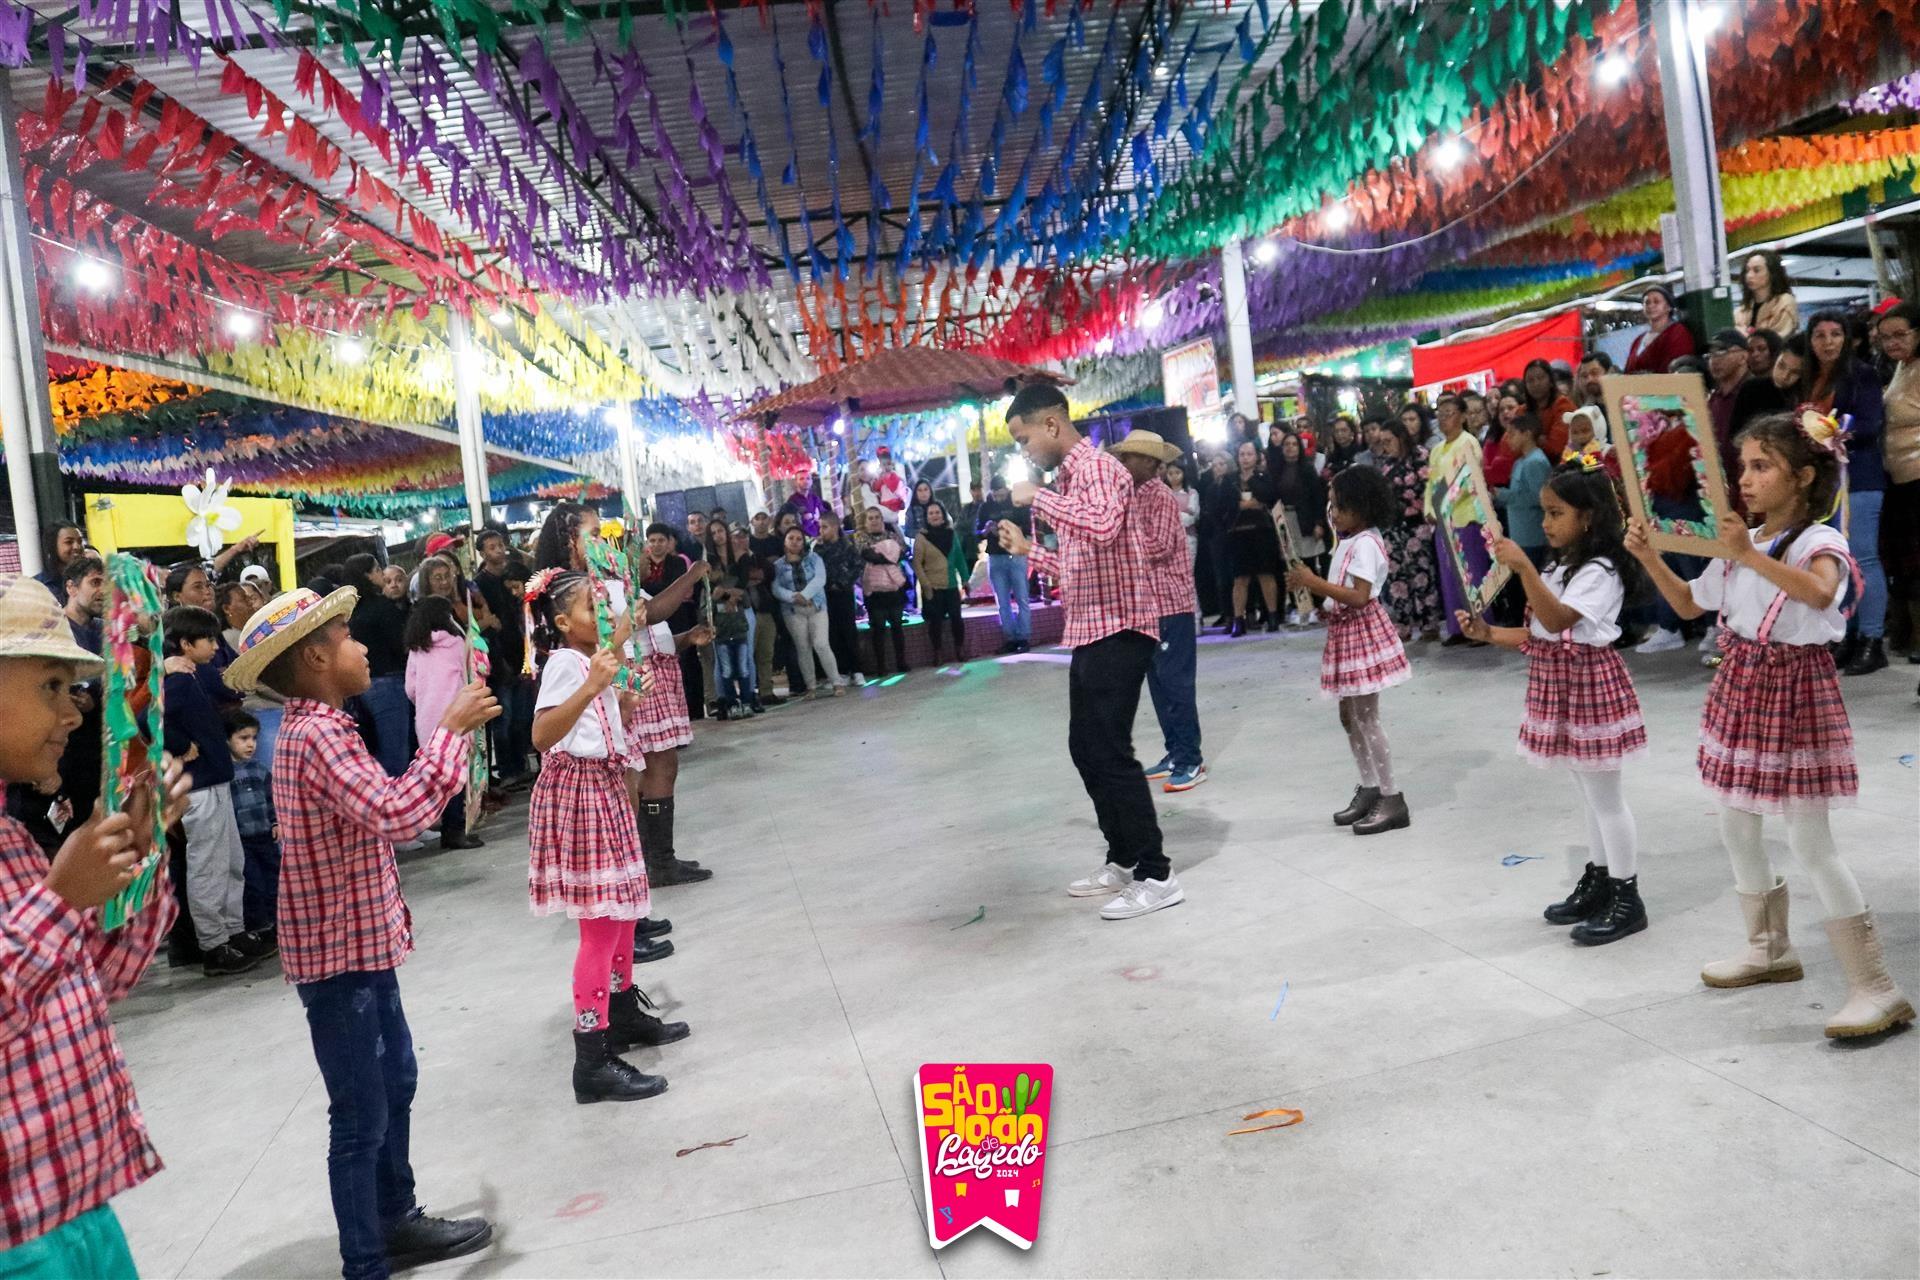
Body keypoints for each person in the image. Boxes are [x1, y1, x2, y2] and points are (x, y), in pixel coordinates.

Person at [224, 586, 500, 1275]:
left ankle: (394, 1220)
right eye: (348, 636)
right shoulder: (318, 736)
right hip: (338, 959)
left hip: (359, 946)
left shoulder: (324, 727)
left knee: (394, 1081)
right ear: (316, 658)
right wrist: (450, 732)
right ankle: (366, 1259)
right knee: (359, 1114)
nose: (365, 645)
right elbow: (399, 814)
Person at [1637, 413, 1911, 1038]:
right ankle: (1768, 949)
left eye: (1762, 466)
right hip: (1742, 689)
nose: (1746, 479)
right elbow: (1687, 602)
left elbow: (1821, 594)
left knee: (1811, 842)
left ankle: (1876, 987)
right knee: (1735, 824)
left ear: (1805, 476)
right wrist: (1650, 555)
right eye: (1744, 467)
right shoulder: (1745, 541)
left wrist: (1744, 555)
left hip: (1795, 695)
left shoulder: (1819, 540)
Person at [0, 573, 189, 1280]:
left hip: (72, 1200)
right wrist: (58, 901)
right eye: (50, 687)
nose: (73, 714)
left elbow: (97, 980)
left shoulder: (14, 841)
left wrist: (139, 858)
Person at [996, 384, 1181, 921]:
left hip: (1121, 628)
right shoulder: (1075, 479)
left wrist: (1038, 498)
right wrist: (1030, 551)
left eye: (1024, 438)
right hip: (1093, 628)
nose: (1026, 451)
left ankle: (1157, 874)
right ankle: (1123, 857)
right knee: (1086, 747)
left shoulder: (1099, 469)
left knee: (1110, 751)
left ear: (1052, 424)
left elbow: (1100, 527)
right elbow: (1083, 565)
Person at [1461, 463, 1652, 945]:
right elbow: (1538, 634)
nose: (1545, 522)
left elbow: (1559, 620)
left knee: (1606, 798)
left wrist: (1523, 567)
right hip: (1560, 684)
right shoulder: (1560, 565)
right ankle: (1601, 878)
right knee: (1588, 793)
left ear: (1588, 517)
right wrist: (1488, 633)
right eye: (1544, 512)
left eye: (1555, 513)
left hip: (1589, 686)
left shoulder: (1600, 570)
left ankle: (1627, 897)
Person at [524, 569, 687, 1104]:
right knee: (599, 926)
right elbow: (543, 735)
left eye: (604, 607)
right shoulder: (564, 664)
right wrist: (594, 688)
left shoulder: (590, 661)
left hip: (605, 789)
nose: (603, 616)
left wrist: (622, 703)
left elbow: (596, 726)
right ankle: (591, 1059)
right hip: (581, 797)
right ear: (561, 622)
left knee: (621, 916)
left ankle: (620, 1016)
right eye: (590, 609)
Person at [1287, 459, 1414, 831]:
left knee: (1368, 717)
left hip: (1361, 634)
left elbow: (1359, 596)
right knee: (1350, 717)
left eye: (1340, 506)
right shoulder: (1347, 540)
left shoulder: (1367, 544)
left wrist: (1313, 582)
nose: (1333, 512)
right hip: (1344, 634)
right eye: (1331, 504)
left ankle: (1392, 796)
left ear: (1363, 507)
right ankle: (1370, 787)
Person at [161, 604, 266, 978]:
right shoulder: (175, 680)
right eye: (208, 639)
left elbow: (228, 687)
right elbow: (148, 720)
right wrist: (179, 744)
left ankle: (233, 930)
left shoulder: (194, 674)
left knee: (231, 862)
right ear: (186, 644)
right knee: (208, 867)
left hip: (216, 779)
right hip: (199, 786)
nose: (215, 646)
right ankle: (213, 944)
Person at [1112, 432, 1205, 793]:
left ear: (1149, 463)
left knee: (1175, 684)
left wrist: (1120, 544)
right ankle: (1175, 752)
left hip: (1170, 604)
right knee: (1159, 684)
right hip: (1147, 606)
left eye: (1129, 457)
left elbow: (1160, 546)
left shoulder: (1161, 497)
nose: (1123, 463)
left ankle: (1190, 760)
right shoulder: (1132, 495)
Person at [1801, 310, 1890, 676]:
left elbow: (1869, 425)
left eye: (1835, 334)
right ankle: (1846, 635)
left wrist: (1832, 433)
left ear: (1848, 339)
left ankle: (1872, 639)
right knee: (1836, 562)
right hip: (1824, 484)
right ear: (1810, 342)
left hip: (1859, 478)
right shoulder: (1808, 380)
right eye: (1819, 335)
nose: (1828, 342)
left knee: (1863, 558)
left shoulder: (1862, 374)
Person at [629, 526, 715, 886]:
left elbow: (652, 639)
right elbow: (652, 614)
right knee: (657, 769)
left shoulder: (636, 590)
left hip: (657, 682)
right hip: (643, 686)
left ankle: (658, 857)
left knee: (662, 767)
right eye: (639, 551)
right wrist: (691, 575)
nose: (647, 556)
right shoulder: (617, 592)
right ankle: (657, 862)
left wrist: (685, 639)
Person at [403, 597, 482, 852]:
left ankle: (440, 823)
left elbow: (410, 688)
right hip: (457, 716)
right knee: (457, 776)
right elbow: (468, 675)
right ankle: (454, 830)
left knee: (437, 774)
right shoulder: (457, 643)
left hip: (427, 719)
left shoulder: (417, 648)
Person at [1874, 303, 1920, 675]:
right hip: (1899, 480)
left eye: (1900, 334)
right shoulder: (1902, 368)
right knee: (1906, 565)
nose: (1892, 342)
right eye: (1885, 337)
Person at [345, 553, 413, 778]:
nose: (382, 574)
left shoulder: (352, 610)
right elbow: (401, 644)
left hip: (363, 684)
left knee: (376, 747)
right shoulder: (382, 607)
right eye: (376, 570)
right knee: (395, 753)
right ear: (366, 576)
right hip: (389, 683)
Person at [1372, 418, 1441, 642]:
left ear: (1400, 438)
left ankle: (1429, 623)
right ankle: (1403, 624)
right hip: (1392, 526)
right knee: (1396, 577)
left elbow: (1427, 487)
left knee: (1421, 573)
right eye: (1382, 442)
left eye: (1389, 441)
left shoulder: (1420, 455)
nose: (1386, 446)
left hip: (1416, 524)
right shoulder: (1386, 463)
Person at [473, 529, 531, 786]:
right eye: (491, 547)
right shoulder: (480, 584)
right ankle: (507, 770)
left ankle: (521, 765)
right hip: (497, 658)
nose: (498, 550)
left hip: (522, 652)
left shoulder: (514, 575)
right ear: (482, 553)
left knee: (522, 716)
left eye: (500, 545)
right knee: (503, 717)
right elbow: (483, 625)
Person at [1207, 439, 1283, 636]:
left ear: (1256, 456)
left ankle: (1272, 616)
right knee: (1240, 578)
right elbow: (1222, 504)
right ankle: (1238, 620)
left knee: (1266, 574)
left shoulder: (1263, 476)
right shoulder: (1229, 479)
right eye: (1242, 454)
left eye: (1249, 454)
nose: (1245, 458)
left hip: (1261, 530)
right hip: (1237, 532)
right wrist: (1240, 505)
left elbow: (1270, 496)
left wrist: (1253, 486)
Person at [1425, 394, 1485, 644]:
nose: (1443, 419)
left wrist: (1445, 504)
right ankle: (1457, 627)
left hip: (1466, 516)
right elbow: (1431, 482)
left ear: (1462, 416)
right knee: (1449, 576)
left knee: (1472, 574)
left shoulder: (1468, 442)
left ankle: (1481, 627)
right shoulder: (1437, 450)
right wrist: (1430, 509)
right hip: (1443, 520)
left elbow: (1468, 478)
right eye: (1439, 414)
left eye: (1448, 413)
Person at [224, 708, 282, 945]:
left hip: (265, 835)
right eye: (243, 738)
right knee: (252, 884)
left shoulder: (260, 769)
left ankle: (278, 923)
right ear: (227, 740)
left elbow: (271, 799)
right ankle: (258, 926)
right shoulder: (225, 774)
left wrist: (276, 821)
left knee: (274, 878)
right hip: (242, 840)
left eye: (254, 738)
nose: (251, 744)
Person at [772, 527, 846, 693]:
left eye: (799, 539)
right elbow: (776, 588)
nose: (795, 542)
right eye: (791, 538)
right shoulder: (778, 565)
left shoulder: (814, 558)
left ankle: (836, 681)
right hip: (792, 611)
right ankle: (811, 686)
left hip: (816, 606)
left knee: (821, 644)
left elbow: (820, 578)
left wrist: (805, 595)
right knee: (802, 648)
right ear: (785, 541)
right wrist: (794, 597)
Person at [975, 477, 1032, 653]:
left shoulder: (1016, 503)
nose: (998, 498)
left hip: (1016, 556)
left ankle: (1023, 637)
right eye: (995, 495)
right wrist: (986, 530)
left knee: (1022, 598)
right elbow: (977, 533)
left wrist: (1006, 529)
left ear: (1006, 490)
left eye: (1001, 494)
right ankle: (1010, 638)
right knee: (1002, 601)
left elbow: (1027, 528)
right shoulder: (986, 507)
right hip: (995, 556)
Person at [1269, 430, 1328, 594]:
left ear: (1299, 448)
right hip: (1283, 520)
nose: (1290, 447)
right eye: (1287, 444)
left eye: (1294, 444)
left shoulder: (1307, 469)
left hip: (1304, 519)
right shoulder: (1276, 471)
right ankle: (1299, 603)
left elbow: (1317, 498)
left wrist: (1318, 523)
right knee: (1290, 564)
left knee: (1308, 563)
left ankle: (1318, 601)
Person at [912, 503, 968, 667]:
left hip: (951, 586)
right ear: (926, 517)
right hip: (933, 587)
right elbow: (917, 564)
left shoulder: (952, 534)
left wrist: (965, 579)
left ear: (943, 515)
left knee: (957, 619)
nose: (934, 515)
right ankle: (937, 653)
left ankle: (960, 650)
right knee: (935, 622)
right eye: (931, 513)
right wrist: (926, 585)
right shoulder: (921, 537)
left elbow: (959, 558)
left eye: (937, 512)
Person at [857, 507, 909, 677]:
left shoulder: (893, 535)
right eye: (870, 518)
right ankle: (881, 665)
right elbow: (869, 556)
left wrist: (884, 556)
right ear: (865, 522)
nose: (874, 521)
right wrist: (889, 556)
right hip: (875, 591)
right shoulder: (861, 538)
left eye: (877, 517)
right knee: (878, 629)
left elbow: (902, 552)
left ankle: (901, 662)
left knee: (897, 626)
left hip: (894, 589)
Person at [814, 516, 866, 683]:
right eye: (820, 527)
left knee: (848, 631)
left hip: (844, 594)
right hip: (826, 595)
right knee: (833, 633)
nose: (821, 531)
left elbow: (858, 566)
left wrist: (843, 582)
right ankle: (841, 670)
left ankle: (857, 670)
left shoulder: (847, 546)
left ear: (835, 527)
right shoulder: (818, 549)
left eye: (825, 527)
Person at [1625, 285, 1696, 374]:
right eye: (1647, 302)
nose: (1651, 306)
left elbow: (1673, 370)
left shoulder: (1678, 333)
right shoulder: (1638, 340)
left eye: (1656, 301)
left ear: (1668, 307)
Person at [1734, 249, 1799, 336]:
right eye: (1747, 270)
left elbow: (1778, 338)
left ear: (1772, 273)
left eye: (1756, 270)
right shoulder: (1742, 310)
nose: (1749, 275)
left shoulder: (1784, 303)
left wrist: (1746, 336)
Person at [1521, 358, 1575, 458]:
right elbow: (1511, 446)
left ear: (1551, 381)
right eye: (1530, 380)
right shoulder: (1521, 411)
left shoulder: (1564, 405)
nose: (1536, 383)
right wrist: (1539, 440)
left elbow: (1556, 447)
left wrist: (1530, 441)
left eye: (1540, 378)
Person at [1163, 457, 1201, 580]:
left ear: (1184, 473)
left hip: (1188, 538)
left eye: (1177, 472)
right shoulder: (1163, 493)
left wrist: (1171, 516)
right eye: (1170, 473)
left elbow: (1192, 517)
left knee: (1188, 573)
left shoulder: (1191, 493)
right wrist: (1181, 514)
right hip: (1168, 539)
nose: (1174, 476)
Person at [33, 520, 86, 605]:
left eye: (80, 541)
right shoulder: (37, 586)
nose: (77, 547)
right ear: (53, 546)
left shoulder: (89, 580)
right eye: (69, 542)